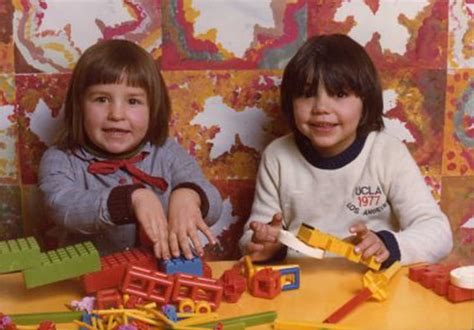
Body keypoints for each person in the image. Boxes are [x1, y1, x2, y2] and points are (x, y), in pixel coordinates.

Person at [239, 33, 451, 267]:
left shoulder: (387, 153)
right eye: (307, 94)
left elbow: (438, 232)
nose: (321, 108)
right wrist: (266, 245)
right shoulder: (277, 157)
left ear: (366, 102)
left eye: (339, 94)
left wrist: (389, 246)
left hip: (372, 288)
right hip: (303, 290)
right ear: (290, 101)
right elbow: (253, 237)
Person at [38, 39, 222, 259]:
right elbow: (62, 206)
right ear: (79, 105)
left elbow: (214, 203)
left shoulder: (167, 152)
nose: (117, 114)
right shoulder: (60, 159)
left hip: (161, 277)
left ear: (154, 109)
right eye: (102, 99)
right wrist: (130, 199)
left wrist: (190, 196)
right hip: (87, 282)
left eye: (133, 101)